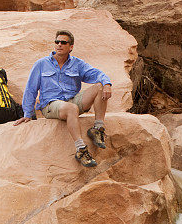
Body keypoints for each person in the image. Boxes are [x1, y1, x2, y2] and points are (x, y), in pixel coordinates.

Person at [14, 29, 112, 167]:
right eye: (57, 42)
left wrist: (107, 84)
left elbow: (96, 73)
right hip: (51, 105)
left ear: (70, 47)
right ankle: (81, 149)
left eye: (63, 42)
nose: (59, 44)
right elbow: (31, 89)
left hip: (71, 101)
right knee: (71, 108)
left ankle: (98, 129)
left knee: (99, 87)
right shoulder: (41, 64)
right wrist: (27, 114)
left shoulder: (77, 64)